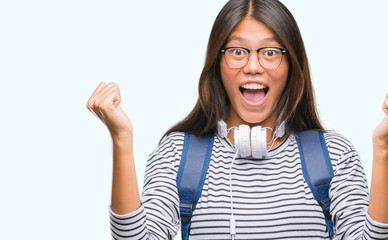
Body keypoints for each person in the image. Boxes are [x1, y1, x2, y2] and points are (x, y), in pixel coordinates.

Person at [87, 0, 388, 239]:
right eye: (237, 51)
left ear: (291, 64)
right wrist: (121, 139)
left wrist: (383, 149)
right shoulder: (178, 154)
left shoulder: (333, 155)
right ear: (217, 63)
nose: (253, 66)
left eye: (270, 52)